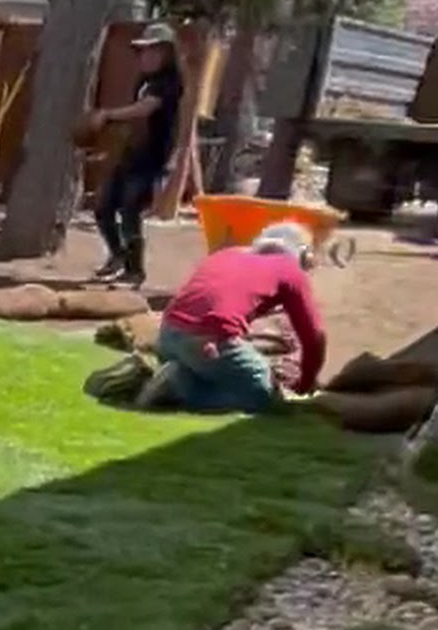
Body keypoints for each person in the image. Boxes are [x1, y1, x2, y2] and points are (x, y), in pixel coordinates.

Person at [147, 221, 327, 414]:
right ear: (303, 254)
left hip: (168, 334)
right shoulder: (290, 270)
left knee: (212, 368)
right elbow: (315, 337)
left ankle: (177, 375)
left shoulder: (226, 254)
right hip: (207, 340)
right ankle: (180, 388)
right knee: (262, 394)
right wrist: (305, 384)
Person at [90, 24, 186, 288]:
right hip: (132, 153)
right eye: (142, 51)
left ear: (167, 54)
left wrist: (107, 115)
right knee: (103, 208)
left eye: (152, 51)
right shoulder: (144, 81)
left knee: (130, 210)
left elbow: (145, 109)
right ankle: (117, 256)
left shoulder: (169, 82)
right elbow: (137, 118)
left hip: (152, 159)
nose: (145, 56)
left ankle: (135, 271)